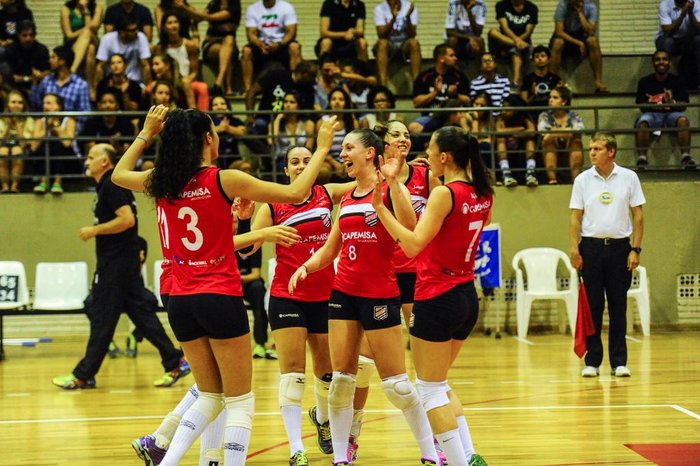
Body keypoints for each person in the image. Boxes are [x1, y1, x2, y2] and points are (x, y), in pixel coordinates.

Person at [111, 105, 340, 466]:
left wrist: (146, 132)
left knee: (209, 395)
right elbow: (297, 193)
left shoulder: (161, 179)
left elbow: (119, 174)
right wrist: (323, 147)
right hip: (218, 295)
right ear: (207, 139)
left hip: (179, 300)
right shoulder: (223, 178)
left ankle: (165, 456)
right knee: (239, 401)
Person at [288, 128, 443, 466]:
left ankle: (431, 452)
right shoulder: (346, 201)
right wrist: (306, 267)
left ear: (369, 154)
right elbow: (331, 249)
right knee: (341, 381)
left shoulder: (387, 191)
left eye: (348, 148)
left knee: (397, 386)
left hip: (380, 294)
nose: (342, 154)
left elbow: (411, 225)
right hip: (343, 294)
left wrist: (395, 184)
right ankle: (341, 457)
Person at [372, 125, 492, 466]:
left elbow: (411, 244)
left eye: (431, 148)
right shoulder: (483, 192)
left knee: (429, 389)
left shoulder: (444, 193)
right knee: (438, 383)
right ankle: (469, 454)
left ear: (444, 157)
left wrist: (381, 210)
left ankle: (456, 461)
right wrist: (400, 183)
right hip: (466, 296)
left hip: (437, 296)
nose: (424, 154)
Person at [247, 145, 358, 465]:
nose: (300, 166)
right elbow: (247, 249)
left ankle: (322, 420)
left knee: (327, 374)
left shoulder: (327, 193)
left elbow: (368, 180)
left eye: (307, 161)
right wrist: (250, 224)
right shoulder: (271, 203)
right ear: (285, 171)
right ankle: (297, 448)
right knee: (293, 375)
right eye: (294, 162)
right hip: (287, 294)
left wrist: (395, 163)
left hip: (326, 296)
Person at [51, 143, 190, 390]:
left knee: (102, 316)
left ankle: (83, 374)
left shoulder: (111, 185)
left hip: (116, 263)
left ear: (105, 162)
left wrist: (95, 230)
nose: (86, 161)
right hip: (122, 262)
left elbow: (127, 220)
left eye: (91, 157)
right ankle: (174, 360)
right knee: (141, 314)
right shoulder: (108, 186)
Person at [346, 120, 441, 463]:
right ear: (380, 144)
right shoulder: (367, 179)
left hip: (417, 274)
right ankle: (352, 433)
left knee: (426, 361)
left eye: (406, 134)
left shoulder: (424, 175)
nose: (403, 139)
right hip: (379, 277)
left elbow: (431, 221)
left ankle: (437, 437)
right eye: (395, 134)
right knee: (365, 364)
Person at [569, 132, 645, 379]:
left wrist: (635, 248)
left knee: (617, 305)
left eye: (597, 149)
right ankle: (592, 361)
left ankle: (619, 362)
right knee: (592, 307)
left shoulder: (629, 177)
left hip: (620, 249)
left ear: (611, 152)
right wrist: (574, 248)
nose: (591, 152)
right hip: (590, 248)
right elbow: (575, 217)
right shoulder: (582, 180)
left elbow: (638, 215)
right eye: (590, 148)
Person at [634, 49, 696, 170]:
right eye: (657, 59)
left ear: (670, 63)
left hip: (671, 114)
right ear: (653, 63)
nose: (661, 62)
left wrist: (670, 102)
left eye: (664, 59)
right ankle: (642, 159)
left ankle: (686, 157)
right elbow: (641, 106)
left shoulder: (678, 80)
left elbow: (683, 106)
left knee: (683, 120)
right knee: (642, 122)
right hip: (652, 114)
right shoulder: (644, 82)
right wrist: (650, 103)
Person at [172, 0, 241, 97]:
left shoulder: (234, 5)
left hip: (230, 45)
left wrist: (184, 7)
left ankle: (219, 82)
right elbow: (199, 17)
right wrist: (187, 9)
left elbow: (209, 17)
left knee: (229, 41)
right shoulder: (213, 4)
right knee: (226, 50)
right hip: (212, 44)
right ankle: (225, 86)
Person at [410, 44, 470, 141]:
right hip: (430, 117)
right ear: (441, 58)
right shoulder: (425, 77)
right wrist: (435, 92)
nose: (455, 58)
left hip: (454, 117)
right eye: (451, 55)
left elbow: (468, 101)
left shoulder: (459, 76)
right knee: (413, 127)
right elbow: (416, 103)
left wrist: (456, 94)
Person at [241, 0, 302, 93]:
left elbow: (291, 32)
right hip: (262, 46)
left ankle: (295, 88)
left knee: (295, 47)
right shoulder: (252, 8)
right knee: (246, 51)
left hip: (281, 45)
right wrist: (260, 44)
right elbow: (251, 34)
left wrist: (279, 44)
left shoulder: (287, 7)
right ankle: (248, 89)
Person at [549, 0, 608, 93]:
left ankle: (598, 82)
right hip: (566, 38)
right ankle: (551, 81)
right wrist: (579, 43)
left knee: (593, 41)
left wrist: (580, 13)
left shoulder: (590, 7)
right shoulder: (563, 5)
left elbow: (591, 31)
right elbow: (559, 31)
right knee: (558, 42)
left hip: (581, 37)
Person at [156, 11, 209, 110]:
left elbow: (194, 72)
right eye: (170, 23)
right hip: (167, 80)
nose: (173, 25)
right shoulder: (160, 48)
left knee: (202, 87)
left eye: (176, 22)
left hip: (186, 80)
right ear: (164, 27)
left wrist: (187, 80)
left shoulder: (190, 45)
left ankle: (201, 117)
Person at [29, 93, 79, 195]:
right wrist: (46, 128)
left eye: (49, 103)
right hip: (44, 159)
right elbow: (33, 147)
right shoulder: (40, 121)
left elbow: (67, 143)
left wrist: (57, 128)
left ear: (59, 106)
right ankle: (43, 181)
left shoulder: (69, 120)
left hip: (67, 159)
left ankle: (57, 181)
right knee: (47, 143)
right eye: (44, 103)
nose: (45, 106)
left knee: (56, 143)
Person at [537, 84, 584, 184]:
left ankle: (576, 180)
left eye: (555, 98)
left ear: (563, 102)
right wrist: (566, 131)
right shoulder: (544, 115)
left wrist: (553, 132)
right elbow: (544, 135)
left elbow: (577, 131)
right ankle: (552, 179)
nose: (550, 100)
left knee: (576, 143)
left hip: (569, 145)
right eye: (550, 97)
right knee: (548, 144)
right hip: (553, 145)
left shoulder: (574, 115)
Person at [487, 0, 538, 88]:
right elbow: (505, 27)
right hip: (504, 40)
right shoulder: (501, 5)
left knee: (515, 51)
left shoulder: (532, 8)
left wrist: (518, 42)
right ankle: (518, 46)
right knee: (493, 31)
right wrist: (516, 42)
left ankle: (515, 83)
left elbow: (528, 32)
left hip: (523, 40)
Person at [29, 45, 91, 116]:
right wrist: (34, 83)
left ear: (62, 61)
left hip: (71, 124)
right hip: (47, 122)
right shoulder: (46, 81)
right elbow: (36, 105)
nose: (49, 61)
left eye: (53, 57)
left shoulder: (81, 85)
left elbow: (85, 112)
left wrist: (69, 123)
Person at [373, 0, 421, 87]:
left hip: (404, 43)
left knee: (414, 43)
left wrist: (408, 17)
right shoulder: (379, 8)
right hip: (389, 43)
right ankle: (383, 85)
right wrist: (393, 19)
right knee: (382, 43)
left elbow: (412, 34)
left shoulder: (409, 7)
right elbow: (381, 35)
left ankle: (417, 83)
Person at [495, 94, 538, 187]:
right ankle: (506, 173)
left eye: (507, 108)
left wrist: (518, 135)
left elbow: (532, 131)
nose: (504, 110)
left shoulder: (524, 118)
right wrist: (518, 129)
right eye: (503, 107)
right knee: (500, 140)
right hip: (506, 145)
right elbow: (499, 131)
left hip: (521, 145)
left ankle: (531, 172)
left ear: (515, 109)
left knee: (530, 141)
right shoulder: (501, 118)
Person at [269, 90, 315, 176]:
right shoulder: (275, 123)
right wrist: (278, 119)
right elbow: (271, 142)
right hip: (282, 160)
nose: (288, 105)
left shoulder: (308, 123)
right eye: (285, 102)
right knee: (283, 167)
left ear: (299, 105)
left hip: (302, 159)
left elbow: (309, 148)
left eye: (292, 102)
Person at [60, 0, 102, 93]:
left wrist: (85, 10)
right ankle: (91, 88)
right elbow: (69, 35)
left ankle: (72, 70)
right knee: (90, 48)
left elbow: (94, 28)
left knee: (88, 34)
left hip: (93, 39)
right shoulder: (66, 9)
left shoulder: (97, 8)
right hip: (72, 44)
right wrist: (85, 30)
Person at [655, 0, 700, 88]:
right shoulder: (665, 4)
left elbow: (698, 29)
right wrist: (682, 14)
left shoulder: (697, 3)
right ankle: (664, 84)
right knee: (667, 42)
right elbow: (668, 31)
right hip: (667, 38)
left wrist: (690, 13)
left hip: (687, 41)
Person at [96, 17, 152, 86]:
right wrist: (98, 88)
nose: (136, 32)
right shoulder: (107, 39)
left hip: (135, 82)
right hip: (112, 82)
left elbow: (145, 66)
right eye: (132, 30)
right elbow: (100, 66)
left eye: (136, 29)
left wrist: (148, 87)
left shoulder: (141, 37)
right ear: (122, 32)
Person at [80, 87, 135, 155]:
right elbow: (89, 151)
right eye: (104, 102)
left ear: (117, 105)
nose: (107, 105)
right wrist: (110, 147)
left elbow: (128, 155)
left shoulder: (126, 125)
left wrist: (116, 146)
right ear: (99, 105)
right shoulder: (90, 124)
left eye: (111, 102)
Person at [1, 20, 49, 94]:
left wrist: (38, 76)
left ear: (35, 35)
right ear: (18, 35)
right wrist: (29, 78)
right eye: (24, 35)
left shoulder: (42, 49)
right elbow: (11, 77)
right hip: (15, 88)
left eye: (31, 35)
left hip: (37, 86)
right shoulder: (11, 50)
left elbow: (46, 72)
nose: (28, 38)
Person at [0, 89, 34, 193]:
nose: (17, 105)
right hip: (4, 145)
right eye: (13, 102)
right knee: (3, 151)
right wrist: (8, 127)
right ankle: (5, 186)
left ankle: (15, 185)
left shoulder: (29, 120)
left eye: (20, 103)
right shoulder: (1, 120)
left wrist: (18, 127)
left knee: (16, 150)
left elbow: (25, 144)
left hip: (21, 147)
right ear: (8, 105)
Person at [520, 45, 562, 122]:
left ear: (549, 59)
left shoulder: (555, 79)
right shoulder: (527, 79)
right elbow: (523, 105)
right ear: (533, 60)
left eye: (543, 56)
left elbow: (561, 102)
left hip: (551, 114)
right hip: (532, 115)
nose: (540, 59)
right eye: (536, 56)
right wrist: (533, 95)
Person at [211, 95, 247, 168]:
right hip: (214, 160)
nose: (219, 107)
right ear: (211, 108)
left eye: (222, 104)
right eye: (215, 105)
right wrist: (218, 128)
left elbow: (243, 132)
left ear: (227, 106)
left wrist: (227, 128)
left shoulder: (234, 120)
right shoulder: (208, 121)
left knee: (245, 166)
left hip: (233, 160)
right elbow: (202, 132)